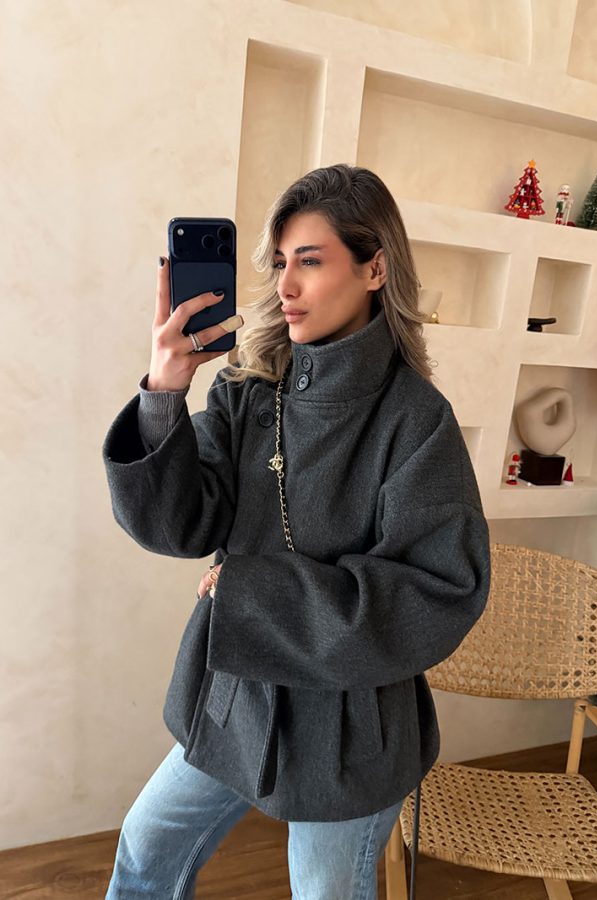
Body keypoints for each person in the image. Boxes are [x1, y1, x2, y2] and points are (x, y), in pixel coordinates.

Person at [102, 163, 491, 899]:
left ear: (375, 268)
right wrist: (164, 393)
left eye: (310, 261)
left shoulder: (416, 421)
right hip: (236, 697)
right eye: (280, 262)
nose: (285, 285)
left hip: (351, 726)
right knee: (146, 848)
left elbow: (439, 590)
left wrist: (251, 591)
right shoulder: (249, 389)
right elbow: (179, 524)